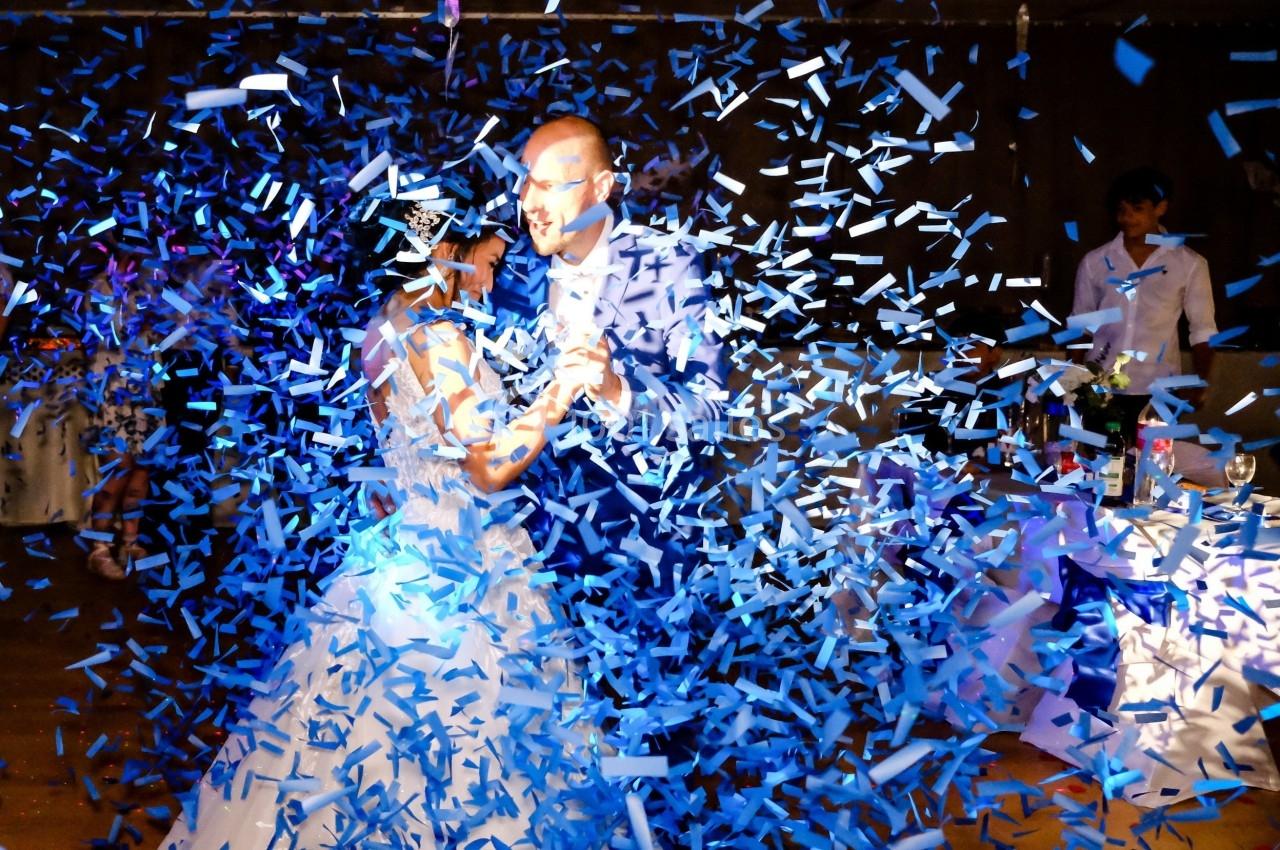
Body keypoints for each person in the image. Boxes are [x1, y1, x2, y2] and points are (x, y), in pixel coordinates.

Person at [159, 197, 620, 849]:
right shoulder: (440, 336)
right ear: (444, 254)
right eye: (486, 262)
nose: (490, 280)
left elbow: (412, 442)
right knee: (467, 745)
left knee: (361, 741)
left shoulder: (386, 327)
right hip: (462, 570)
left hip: (405, 550)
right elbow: (486, 468)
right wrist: (559, 392)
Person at [504, 115, 728, 779]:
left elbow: (711, 416)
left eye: (550, 185)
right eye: (524, 184)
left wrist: (615, 389)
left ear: (602, 187)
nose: (530, 203)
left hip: (649, 572)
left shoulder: (670, 266)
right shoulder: (513, 281)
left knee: (653, 771)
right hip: (534, 575)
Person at [1070, 166, 1218, 441]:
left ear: (1160, 208)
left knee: (1152, 469)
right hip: (1100, 388)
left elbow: (1203, 330)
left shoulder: (1189, 264)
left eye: (1137, 209)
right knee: (1100, 471)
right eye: (1121, 210)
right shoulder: (1095, 262)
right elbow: (1081, 326)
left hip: (1159, 391)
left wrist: (1201, 382)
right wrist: (1072, 380)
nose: (1127, 218)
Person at [83, 249, 163, 579]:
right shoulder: (100, 287)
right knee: (118, 468)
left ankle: (130, 540)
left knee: (142, 469)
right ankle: (99, 548)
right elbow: (107, 333)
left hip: (147, 388)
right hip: (113, 388)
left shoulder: (152, 285)